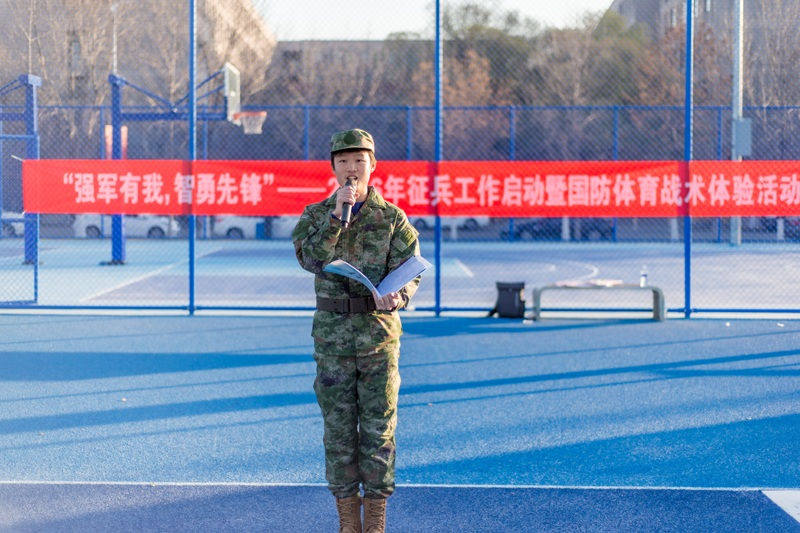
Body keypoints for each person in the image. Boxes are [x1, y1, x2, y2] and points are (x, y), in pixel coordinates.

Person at [292, 128, 421, 533]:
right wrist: (336, 218)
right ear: (333, 167)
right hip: (332, 340)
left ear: (373, 165)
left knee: (380, 429)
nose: (352, 168)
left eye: (359, 160)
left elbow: (410, 269)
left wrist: (399, 296)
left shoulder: (392, 218)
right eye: (344, 161)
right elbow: (310, 259)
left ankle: (376, 519)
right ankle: (348, 519)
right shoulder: (316, 215)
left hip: (378, 339)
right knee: (339, 431)